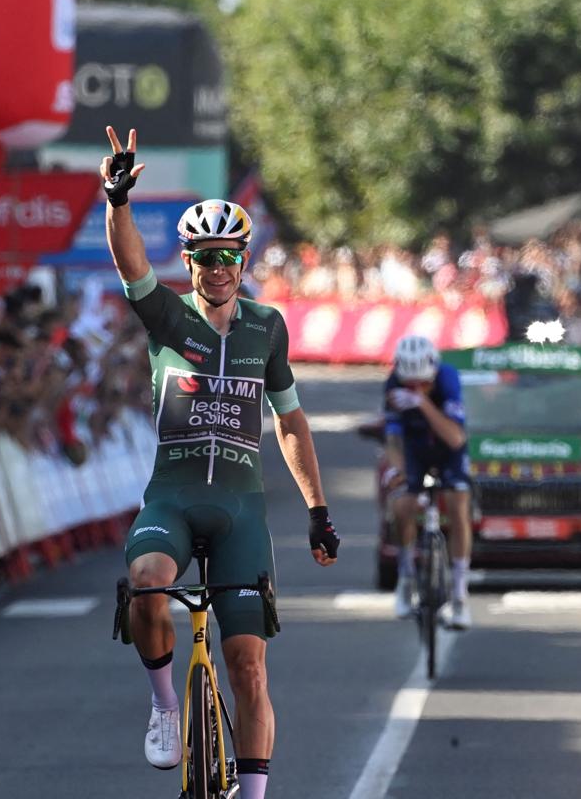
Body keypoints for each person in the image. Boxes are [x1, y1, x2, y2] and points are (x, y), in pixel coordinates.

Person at [100, 126, 338, 799]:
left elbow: (290, 422)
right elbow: (129, 265)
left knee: (249, 668)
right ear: (190, 261)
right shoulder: (170, 319)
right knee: (146, 583)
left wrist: (318, 512)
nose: (216, 268)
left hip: (241, 511)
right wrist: (116, 201)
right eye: (204, 257)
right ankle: (165, 706)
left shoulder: (268, 328)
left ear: (243, 256)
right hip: (172, 497)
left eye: (227, 255)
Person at [382, 334, 473, 629]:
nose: (415, 388)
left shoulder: (448, 379)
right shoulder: (393, 384)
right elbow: (393, 441)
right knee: (402, 506)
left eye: (423, 383)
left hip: (447, 448)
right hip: (414, 448)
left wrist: (422, 403)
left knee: (459, 505)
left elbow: (456, 438)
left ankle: (459, 593)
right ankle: (406, 578)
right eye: (410, 384)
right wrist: (402, 474)